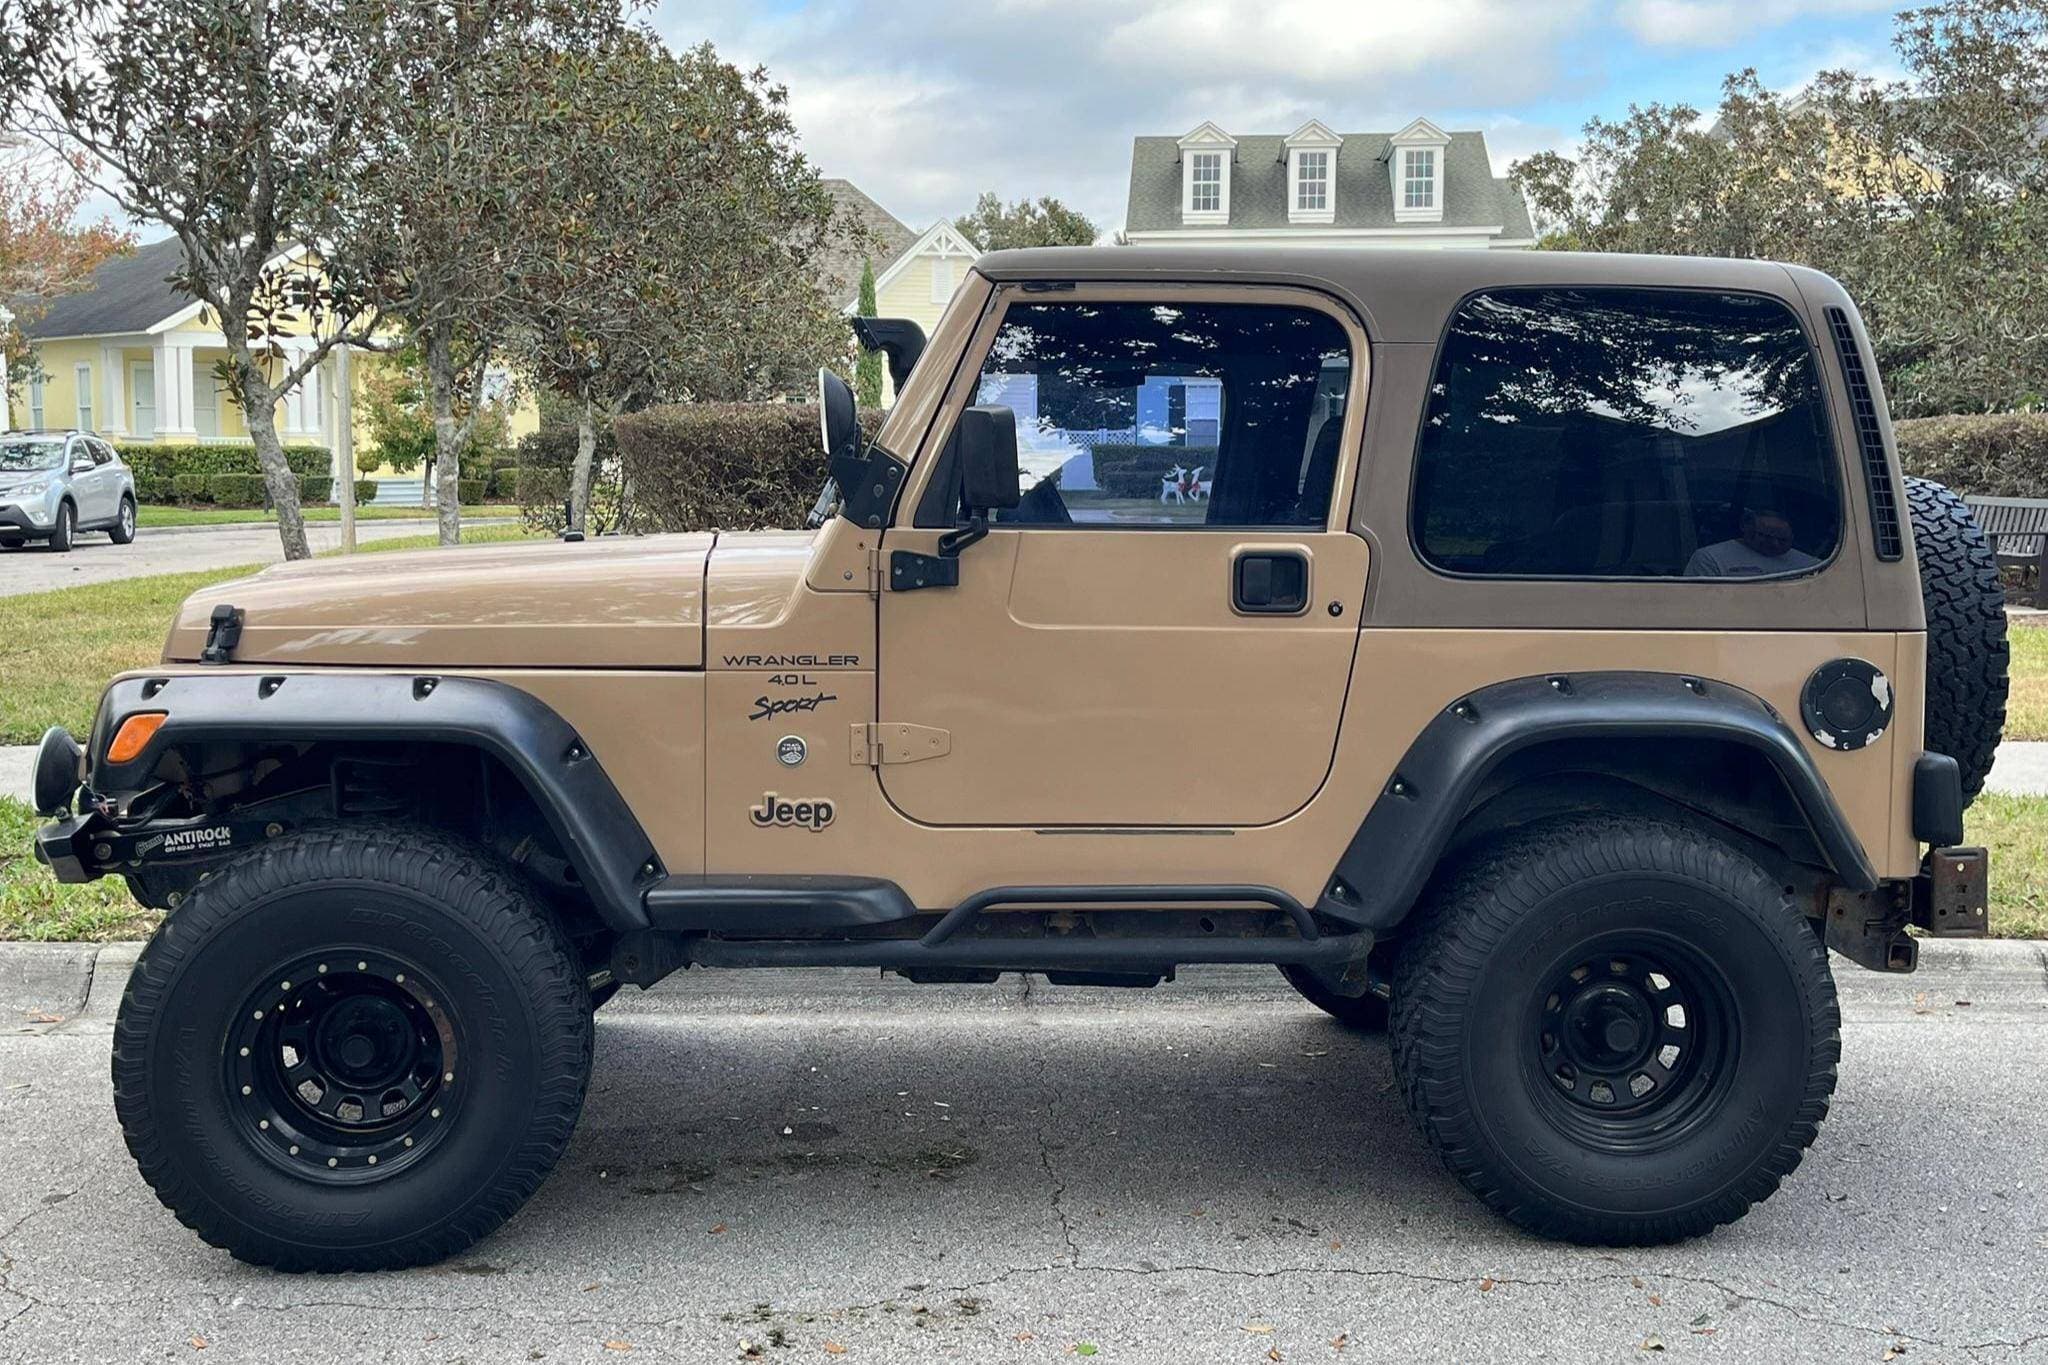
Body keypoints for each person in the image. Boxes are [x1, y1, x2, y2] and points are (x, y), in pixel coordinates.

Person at [1686, 505, 1819, 578]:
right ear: (1745, 527)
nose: (1774, 544)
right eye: (1766, 536)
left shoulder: (1812, 565)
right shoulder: (1709, 559)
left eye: (1783, 540)